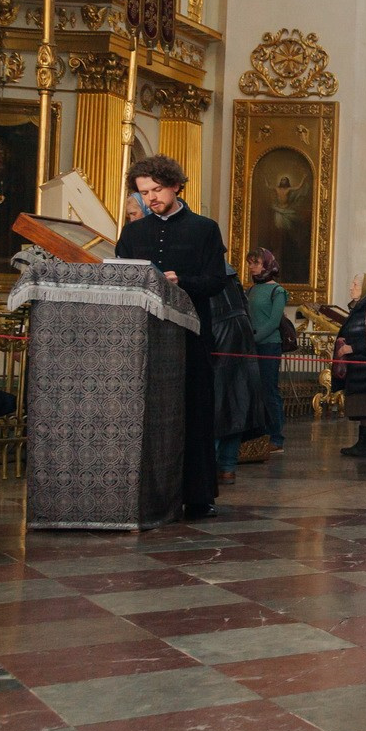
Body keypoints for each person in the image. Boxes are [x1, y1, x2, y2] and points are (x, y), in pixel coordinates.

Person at [115, 155, 230, 519]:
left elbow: (216, 281)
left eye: (156, 189)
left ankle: (197, 495)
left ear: (175, 185)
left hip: (191, 336)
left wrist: (182, 281)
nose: (150, 198)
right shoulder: (133, 233)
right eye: (143, 192)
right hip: (144, 338)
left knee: (194, 411)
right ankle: (143, 491)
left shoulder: (204, 228)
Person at [245, 249, 289, 458]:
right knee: (255, 391)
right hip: (252, 346)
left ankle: (276, 437)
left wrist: (254, 339)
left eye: (256, 263)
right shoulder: (252, 290)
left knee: (269, 391)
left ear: (267, 264)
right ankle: (260, 435)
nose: (252, 267)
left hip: (269, 345)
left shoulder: (277, 291)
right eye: (250, 263)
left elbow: (273, 322)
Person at [335, 273, 366, 458]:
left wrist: (351, 348)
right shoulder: (359, 307)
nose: (351, 287)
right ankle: (363, 442)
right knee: (363, 409)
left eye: (355, 284)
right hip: (358, 368)